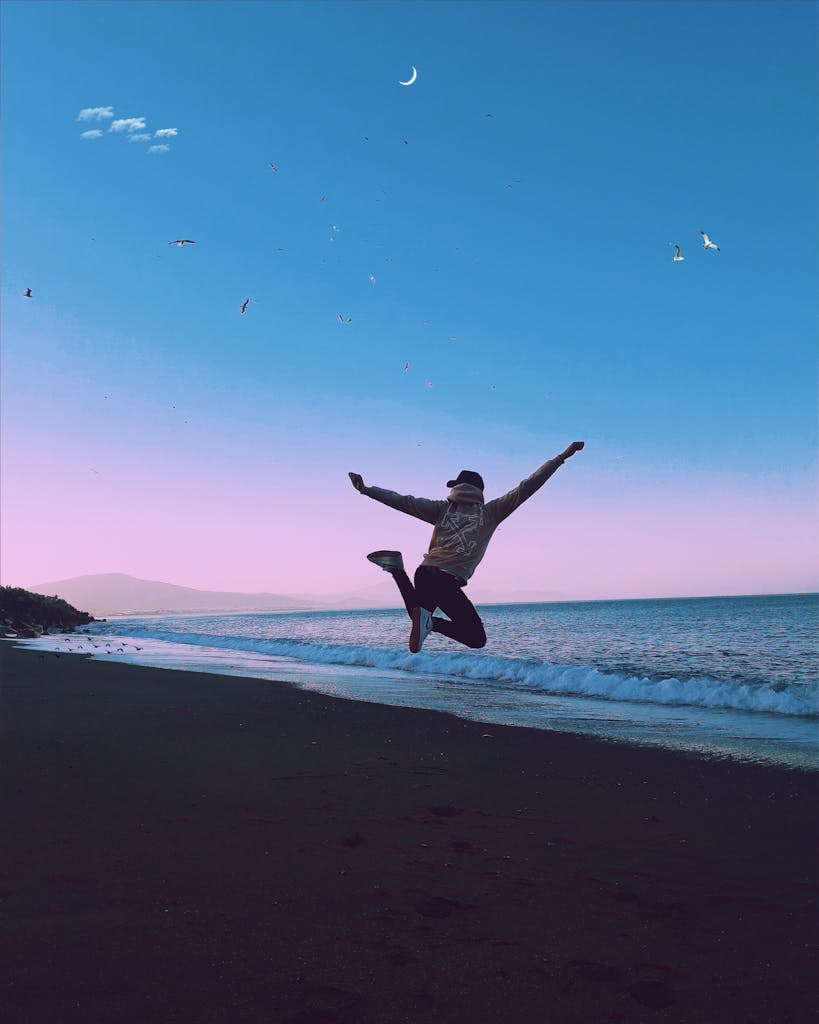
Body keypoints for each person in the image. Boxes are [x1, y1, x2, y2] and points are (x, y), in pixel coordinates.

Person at [348, 441, 584, 653]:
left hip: (425, 573)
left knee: (418, 616)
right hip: (446, 579)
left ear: (458, 488)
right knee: (475, 638)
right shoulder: (491, 512)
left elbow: (403, 502)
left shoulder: (442, 510)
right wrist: (563, 456)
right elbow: (528, 486)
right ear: (479, 492)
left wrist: (367, 490)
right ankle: (403, 578)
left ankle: (399, 572)